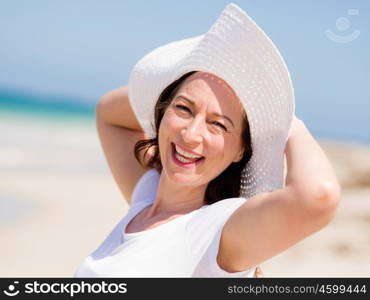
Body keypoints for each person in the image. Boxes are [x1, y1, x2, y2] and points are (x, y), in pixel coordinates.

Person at [74, 3, 341, 278]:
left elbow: (318, 196)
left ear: (241, 150)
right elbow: (108, 113)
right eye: (183, 109)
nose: (191, 135)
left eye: (218, 124)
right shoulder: (145, 199)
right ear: (162, 110)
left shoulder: (217, 230)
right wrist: (162, 85)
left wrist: (286, 122)